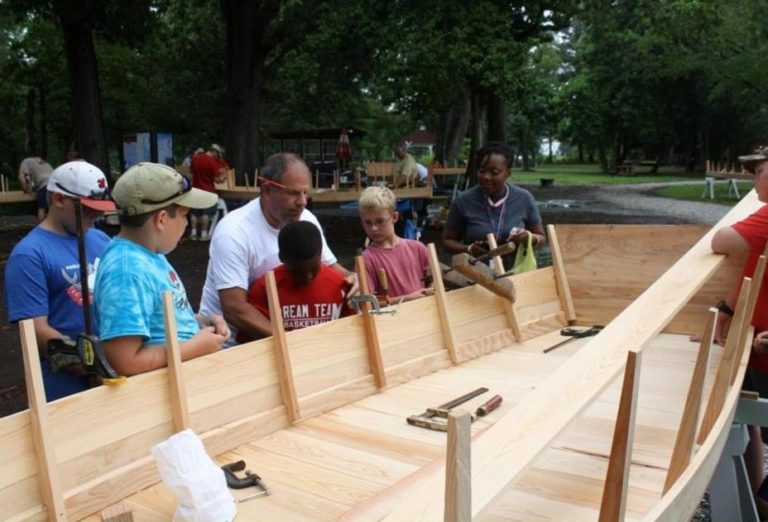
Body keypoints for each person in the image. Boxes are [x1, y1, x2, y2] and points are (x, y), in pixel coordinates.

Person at [199, 152, 358, 346]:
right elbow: (234, 308)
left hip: (283, 341)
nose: (302, 202)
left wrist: (352, 278)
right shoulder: (233, 232)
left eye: (305, 193)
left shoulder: (306, 218)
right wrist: (290, 342)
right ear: (267, 190)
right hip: (232, 346)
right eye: (293, 193)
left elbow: (327, 266)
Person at [94, 163, 229, 376]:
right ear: (162, 219)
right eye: (184, 215)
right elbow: (125, 361)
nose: (186, 224)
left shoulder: (150, 255)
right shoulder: (126, 272)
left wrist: (199, 322)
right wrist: (194, 347)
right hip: (161, 395)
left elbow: (155, 320)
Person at [5, 161, 115, 401]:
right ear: (58, 199)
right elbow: (35, 331)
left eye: (99, 208)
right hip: (64, 390)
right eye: (86, 208)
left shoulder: (101, 239)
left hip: (114, 376)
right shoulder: (29, 255)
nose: (95, 215)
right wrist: (91, 365)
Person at [710, 146, 768, 517]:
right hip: (756, 343)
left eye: (758, 171)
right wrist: (726, 312)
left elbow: (719, 242)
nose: (753, 179)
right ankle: (758, 500)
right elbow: (749, 273)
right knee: (748, 420)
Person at [236, 221, 354, 343]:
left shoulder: (339, 284)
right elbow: (250, 342)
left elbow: (352, 330)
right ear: (282, 258)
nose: (308, 276)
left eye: (314, 269)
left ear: (320, 256)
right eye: (298, 272)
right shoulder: (265, 288)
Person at [442, 142, 545, 270]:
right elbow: (447, 241)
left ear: (508, 174)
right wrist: (469, 249)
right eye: (482, 171)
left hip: (517, 276)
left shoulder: (524, 199)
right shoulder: (463, 201)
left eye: (494, 172)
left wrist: (529, 238)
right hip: (476, 276)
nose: (486, 177)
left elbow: (541, 238)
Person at [359, 186, 434, 303]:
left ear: (394, 217)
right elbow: (368, 304)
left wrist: (431, 289)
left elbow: (432, 280)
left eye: (380, 221)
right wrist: (407, 299)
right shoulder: (366, 259)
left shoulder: (418, 248)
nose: (373, 228)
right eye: (368, 222)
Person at [188, 144, 226, 241]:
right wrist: (222, 179)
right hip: (207, 190)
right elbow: (217, 179)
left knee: (194, 212)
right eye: (218, 154)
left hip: (195, 190)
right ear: (214, 152)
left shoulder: (195, 159)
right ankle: (204, 235)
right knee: (206, 213)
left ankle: (193, 234)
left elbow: (192, 173)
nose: (218, 157)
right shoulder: (212, 162)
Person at [18, 156, 54, 222]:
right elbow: (32, 183)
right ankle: (51, 229)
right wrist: (30, 189)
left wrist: (25, 190)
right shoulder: (44, 164)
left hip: (45, 184)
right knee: (51, 208)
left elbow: (21, 178)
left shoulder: (25, 161)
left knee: (41, 208)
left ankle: (41, 230)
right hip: (55, 184)